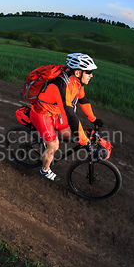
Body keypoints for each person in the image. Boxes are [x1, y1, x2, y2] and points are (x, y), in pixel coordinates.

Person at [30, 53, 103, 181]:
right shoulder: (61, 86)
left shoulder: (77, 83)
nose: (91, 75)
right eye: (89, 72)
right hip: (42, 114)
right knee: (54, 145)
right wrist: (85, 142)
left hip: (55, 113)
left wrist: (93, 118)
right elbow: (71, 116)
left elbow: (83, 100)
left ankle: (46, 141)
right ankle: (44, 170)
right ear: (78, 73)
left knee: (69, 134)